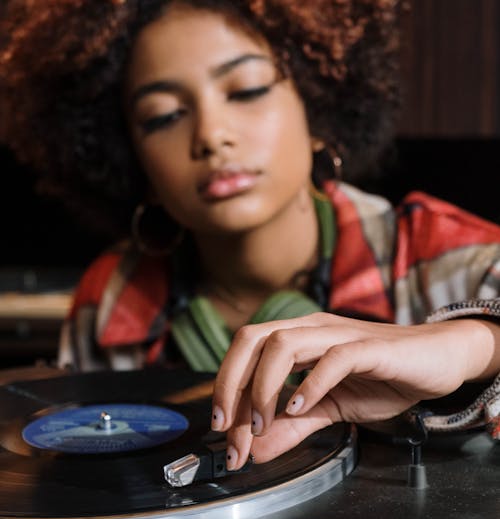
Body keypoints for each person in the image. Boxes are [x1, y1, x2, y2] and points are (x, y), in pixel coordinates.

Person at [1, 0, 499, 471]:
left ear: (318, 108)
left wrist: (472, 346)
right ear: (133, 161)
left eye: (247, 90)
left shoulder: (453, 256)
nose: (211, 135)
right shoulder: (109, 301)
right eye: (164, 116)